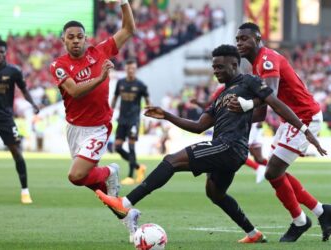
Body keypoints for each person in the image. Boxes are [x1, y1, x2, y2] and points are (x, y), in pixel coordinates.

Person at [96, 44, 326, 243]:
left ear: (234, 65)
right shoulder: (220, 95)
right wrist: (167, 115)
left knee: (171, 161)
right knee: (215, 193)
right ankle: (253, 233)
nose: (215, 71)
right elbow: (198, 126)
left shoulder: (249, 82)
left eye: (220, 67)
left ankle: (125, 203)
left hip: (230, 146)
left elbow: (276, 104)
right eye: (214, 67)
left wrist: (305, 130)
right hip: (226, 149)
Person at [49, 0, 140, 242]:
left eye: (80, 36)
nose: (76, 40)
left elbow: (129, 30)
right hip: (74, 130)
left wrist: (123, 3)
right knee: (94, 186)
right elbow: (75, 91)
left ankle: (110, 171)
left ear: (86, 38)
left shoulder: (100, 51)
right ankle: (127, 218)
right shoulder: (58, 65)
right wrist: (101, 77)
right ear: (64, 41)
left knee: (76, 176)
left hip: (97, 128)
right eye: (71, 37)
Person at [233, 22, 331, 242]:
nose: (240, 43)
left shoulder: (266, 60)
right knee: (276, 172)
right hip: (291, 119)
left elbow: (271, 95)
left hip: (304, 116)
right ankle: (321, 212)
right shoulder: (258, 64)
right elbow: (262, 111)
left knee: (272, 172)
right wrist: (233, 117)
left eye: (245, 39)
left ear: (258, 39)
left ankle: (300, 221)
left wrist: (244, 106)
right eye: (237, 39)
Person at [0, 39, 39, 204]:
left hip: (5, 118)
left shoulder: (14, 71)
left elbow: (24, 90)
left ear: (5, 53)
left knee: (16, 152)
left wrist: (33, 104)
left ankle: (25, 191)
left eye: (1, 52)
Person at [191, 84, 267, 183]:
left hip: (241, 123)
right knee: (254, 155)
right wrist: (198, 103)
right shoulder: (232, 85)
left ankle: (261, 169)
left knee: (236, 150)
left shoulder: (243, 83)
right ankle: (267, 170)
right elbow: (209, 104)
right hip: (243, 123)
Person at [111, 58, 150, 185]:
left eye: (133, 68)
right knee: (117, 147)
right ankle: (138, 167)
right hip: (121, 120)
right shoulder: (120, 83)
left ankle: (130, 176)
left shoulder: (141, 85)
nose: (131, 70)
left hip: (134, 120)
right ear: (125, 69)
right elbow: (115, 98)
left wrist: (150, 112)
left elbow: (148, 101)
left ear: (136, 69)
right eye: (128, 68)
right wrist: (109, 112)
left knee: (131, 146)